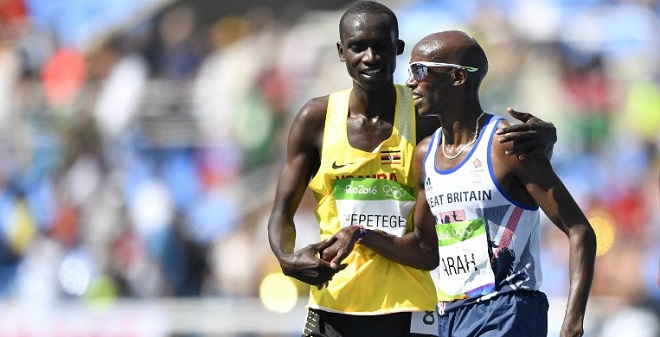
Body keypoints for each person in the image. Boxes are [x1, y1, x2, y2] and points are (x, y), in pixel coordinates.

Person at [267, 2, 557, 336]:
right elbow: (281, 213)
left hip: (409, 305)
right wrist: (286, 258)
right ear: (340, 51)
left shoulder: (426, 117)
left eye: (381, 46)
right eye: (358, 47)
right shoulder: (316, 118)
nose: (371, 57)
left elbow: (487, 144)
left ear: (398, 49)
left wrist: (547, 138)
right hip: (333, 302)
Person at [401, 30, 597, 336]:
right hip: (451, 313)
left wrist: (572, 323)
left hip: (509, 308)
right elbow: (426, 249)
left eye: (420, 70)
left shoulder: (505, 145)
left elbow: (580, 230)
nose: (410, 81)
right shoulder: (424, 154)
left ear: (458, 77)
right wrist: (359, 235)